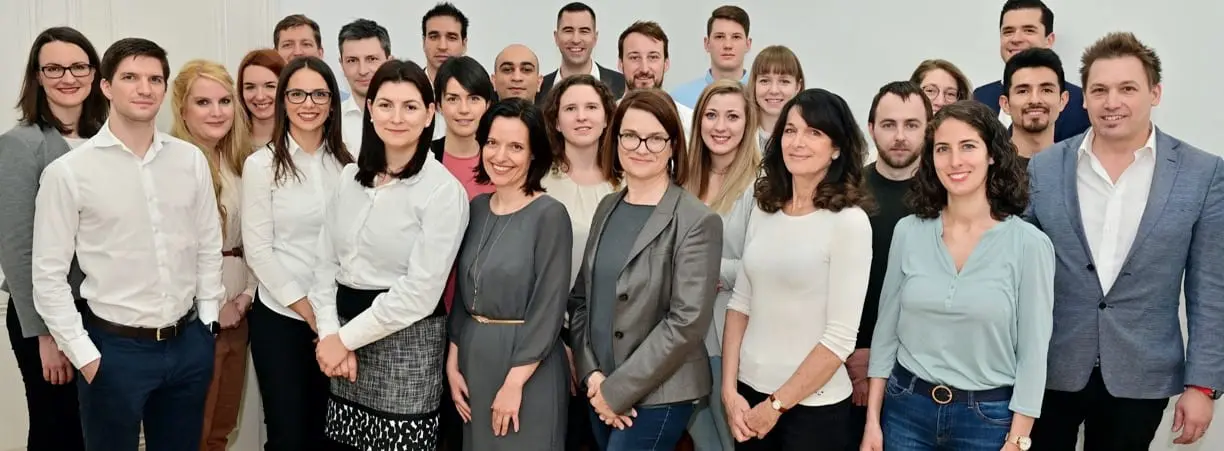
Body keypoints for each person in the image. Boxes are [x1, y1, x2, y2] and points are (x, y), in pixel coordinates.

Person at [1026, 32, 1224, 450]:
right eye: (1099, 90)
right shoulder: (1043, 169)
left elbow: (1210, 288)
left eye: (1127, 89)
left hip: (1142, 375)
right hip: (1048, 368)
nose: (1111, 102)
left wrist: (1202, 384)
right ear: (1084, 99)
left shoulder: (1202, 173)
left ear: (1155, 93)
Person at [31, 37, 224, 450]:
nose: (144, 88)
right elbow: (47, 276)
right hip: (113, 351)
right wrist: (85, 356)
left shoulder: (189, 160)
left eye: (155, 79)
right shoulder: (69, 173)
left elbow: (209, 245)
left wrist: (208, 322)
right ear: (105, 86)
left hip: (187, 344)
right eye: (131, 77)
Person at [863, 100, 1055, 451]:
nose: (954, 161)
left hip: (987, 420)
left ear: (992, 154)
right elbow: (886, 331)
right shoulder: (909, 231)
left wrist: (1017, 441)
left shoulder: (1030, 244)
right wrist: (872, 421)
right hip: (905, 411)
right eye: (942, 149)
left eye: (968, 146)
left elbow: (1033, 354)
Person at [310, 59, 469, 451]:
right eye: (385, 105)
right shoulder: (349, 178)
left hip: (406, 345)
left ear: (430, 114)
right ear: (370, 109)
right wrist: (330, 335)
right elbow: (325, 264)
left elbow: (420, 292)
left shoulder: (443, 191)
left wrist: (345, 339)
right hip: (341, 341)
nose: (396, 117)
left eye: (410, 106)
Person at [569, 89, 723, 451]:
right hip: (600, 385)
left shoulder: (697, 220)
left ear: (673, 146)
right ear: (616, 139)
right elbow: (580, 301)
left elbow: (686, 322)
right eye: (630, 136)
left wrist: (617, 391)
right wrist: (592, 375)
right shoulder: (607, 207)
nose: (641, 148)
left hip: (660, 393)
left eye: (655, 138)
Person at [721, 89, 872, 450]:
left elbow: (839, 339)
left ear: (837, 148)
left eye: (813, 132)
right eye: (790, 130)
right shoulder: (765, 209)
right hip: (748, 397)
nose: (797, 142)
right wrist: (728, 390)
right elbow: (740, 304)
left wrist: (776, 406)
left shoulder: (849, 223)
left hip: (813, 412)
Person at [0, 25, 106, 451]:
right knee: (57, 429)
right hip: (48, 314)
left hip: (104, 309)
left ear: (95, 73)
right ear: (37, 76)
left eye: (78, 66)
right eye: (54, 68)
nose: (68, 77)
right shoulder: (20, 145)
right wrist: (47, 335)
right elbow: (17, 249)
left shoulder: (108, 141)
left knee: (96, 429)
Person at [242, 56, 354, 451]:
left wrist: (329, 319)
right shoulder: (261, 165)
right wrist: (309, 311)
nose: (309, 103)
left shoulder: (349, 165)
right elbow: (258, 250)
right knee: (288, 435)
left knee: (333, 434)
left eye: (319, 94)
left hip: (340, 320)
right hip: (283, 318)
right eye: (297, 94)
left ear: (332, 102)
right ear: (283, 101)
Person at [447, 97, 572, 450]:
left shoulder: (550, 215)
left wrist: (515, 383)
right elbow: (464, 293)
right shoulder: (476, 208)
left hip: (528, 368)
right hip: (473, 360)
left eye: (516, 146)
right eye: (492, 142)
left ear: (534, 154)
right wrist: (453, 363)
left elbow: (549, 308)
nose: (500, 155)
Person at [169, 59, 258, 451]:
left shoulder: (242, 162)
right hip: (196, 319)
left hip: (241, 312)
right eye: (203, 102)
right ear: (182, 109)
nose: (217, 112)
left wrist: (246, 296)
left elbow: (256, 238)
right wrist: (216, 304)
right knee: (194, 429)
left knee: (222, 425)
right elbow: (176, 250)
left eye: (225, 101)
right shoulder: (174, 165)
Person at [845, 81, 929, 449]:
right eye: (889, 124)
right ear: (871, 127)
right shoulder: (846, 192)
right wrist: (858, 349)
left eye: (912, 125)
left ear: (928, 129)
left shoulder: (944, 197)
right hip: (850, 360)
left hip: (920, 367)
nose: (899, 136)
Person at [538, 73, 619, 451]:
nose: (582, 116)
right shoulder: (538, 181)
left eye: (591, 107)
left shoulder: (627, 180)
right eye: (571, 108)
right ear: (556, 120)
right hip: (549, 334)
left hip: (613, 338)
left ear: (607, 117)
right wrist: (560, 341)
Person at [681, 79, 762, 451]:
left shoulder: (761, 187)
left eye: (732, 117)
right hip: (683, 336)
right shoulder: (682, 180)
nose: (720, 126)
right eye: (711, 115)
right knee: (703, 441)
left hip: (728, 336)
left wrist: (711, 273)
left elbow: (761, 265)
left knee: (731, 441)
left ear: (747, 123)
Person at [973, 0, 1089, 142]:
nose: (1016, 39)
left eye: (1029, 30)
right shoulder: (980, 97)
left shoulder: (1080, 103)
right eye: (1008, 31)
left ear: (1049, 40)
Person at [537, 2, 627, 103]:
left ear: (595, 38)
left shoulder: (622, 85)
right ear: (556, 37)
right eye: (568, 30)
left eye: (584, 31)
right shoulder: (538, 90)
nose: (576, 40)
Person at [616, 21, 693, 137]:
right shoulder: (605, 120)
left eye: (653, 57)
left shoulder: (689, 123)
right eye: (634, 57)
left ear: (666, 64)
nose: (644, 69)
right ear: (620, 64)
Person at [670, 5, 753, 109]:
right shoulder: (679, 100)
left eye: (736, 37)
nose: (728, 45)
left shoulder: (762, 98)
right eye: (719, 37)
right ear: (707, 43)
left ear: (748, 44)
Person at [999, 48, 1067, 162]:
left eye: (1046, 90)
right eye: (1023, 91)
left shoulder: (1077, 166)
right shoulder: (987, 166)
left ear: (1063, 100)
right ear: (1005, 104)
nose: (1035, 100)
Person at [337, 19, 391, 153]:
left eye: (371, 59)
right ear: (342, 65)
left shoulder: (411, 116)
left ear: (389, 62)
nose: (362, 71)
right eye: (352, 60)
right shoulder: (331, 122)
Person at [422, 2, 470, 140]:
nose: (442, 46)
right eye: (434, 37)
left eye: (451, 37)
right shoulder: (407, 90)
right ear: (423, 42)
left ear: (464, 44)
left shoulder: (480, 94)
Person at [747, 46, 803, 150]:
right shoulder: (739, 135)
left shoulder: (810, 139)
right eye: (765, 81)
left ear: (797, 87)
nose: (774, 90)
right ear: (754, 84)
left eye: (784, 81)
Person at [237, 48, 285, 148]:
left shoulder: (301, 141)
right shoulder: (228, 143)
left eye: (270, 86)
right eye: (250, 87)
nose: (260, 97)